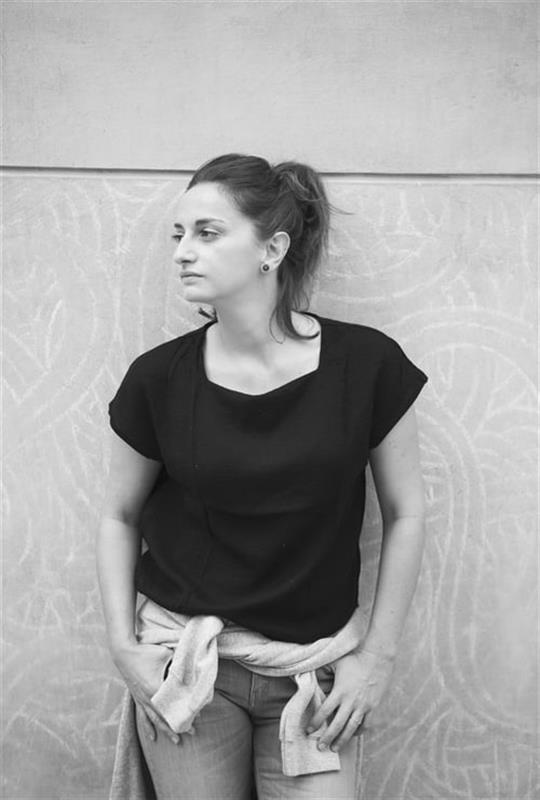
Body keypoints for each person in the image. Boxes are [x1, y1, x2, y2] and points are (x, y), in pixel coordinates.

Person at [97, 153, 429, 800]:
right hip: (186, 667)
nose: (182, 253)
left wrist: (376, 659)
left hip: (314, 673)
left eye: (207, 233)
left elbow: (407, 513)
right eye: (178, 235)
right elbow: (119, 515)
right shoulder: (158, 378)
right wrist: (123, 646)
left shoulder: (367, 365)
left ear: (272, 249)